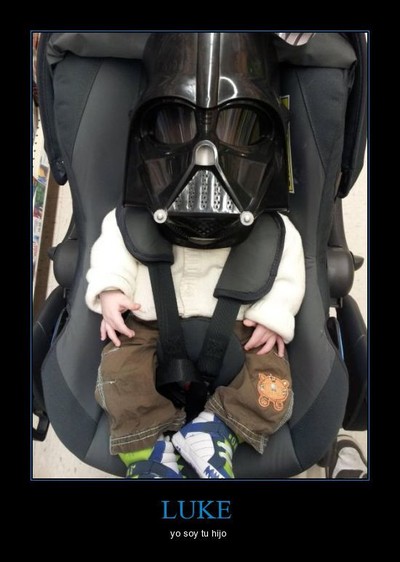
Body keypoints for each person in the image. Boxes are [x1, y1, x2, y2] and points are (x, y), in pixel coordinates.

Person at [85, 32, 306, 479]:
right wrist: (109, 291)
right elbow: (113, 249)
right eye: (178, 125)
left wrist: (273, 315)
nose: (205, 155)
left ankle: (217, 431)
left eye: (235, 127)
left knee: (274, 386)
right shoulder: (132, 216)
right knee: (118, 372)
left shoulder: (274, 230)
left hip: (243, 326)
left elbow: (285, 269)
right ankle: (145, 448)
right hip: (146, 320)